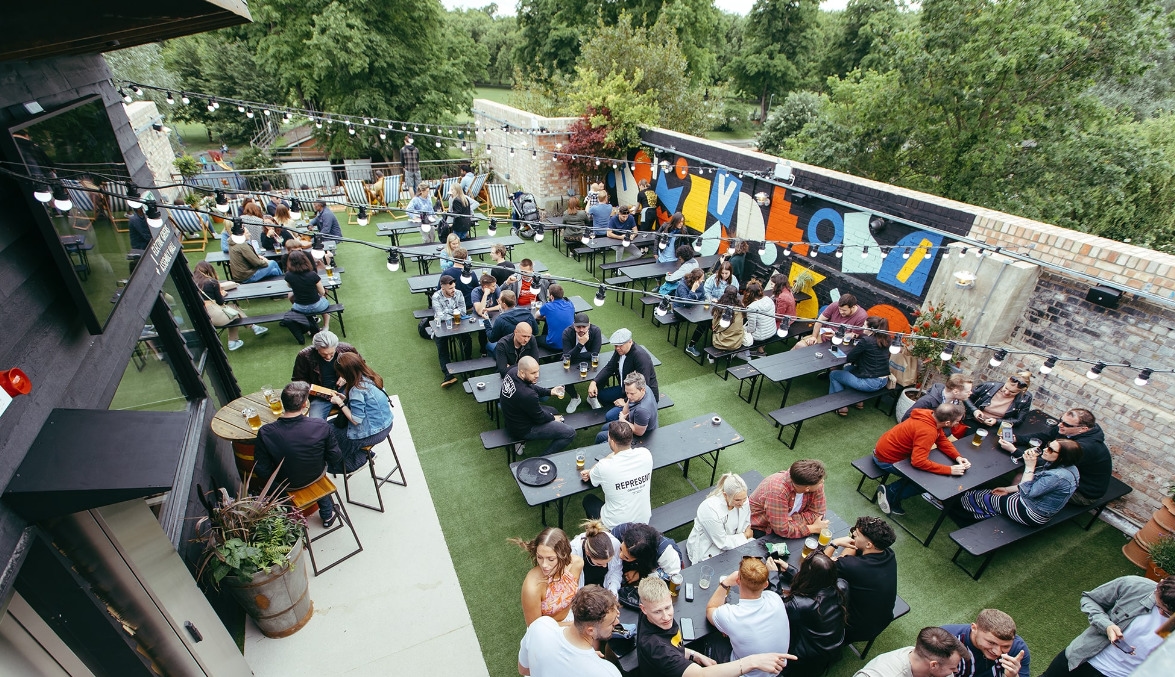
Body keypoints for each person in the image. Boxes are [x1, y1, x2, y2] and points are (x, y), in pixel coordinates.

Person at [636, 576, 792, 677]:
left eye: (668, 607)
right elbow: (702, 675)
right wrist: (752, 662)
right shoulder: (657, 648)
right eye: (657, 612)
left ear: (670, 598)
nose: (666, 616)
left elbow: (674, 646)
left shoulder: (651, 617)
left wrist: (696, 656)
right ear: (643, 609)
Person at [1037, 574, 1174, 677]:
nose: (1161, 613)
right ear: (1159, 585)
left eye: (1167, 613)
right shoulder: (1134, 586)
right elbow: (1090, 599)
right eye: (1158, 605)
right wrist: (1106, 625)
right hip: (1081, 659)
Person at [253, 381, 344, 527]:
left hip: (286, 485)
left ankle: (292, 523)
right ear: (304, 405)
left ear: (282, 403)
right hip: (316, 474)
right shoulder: (321, 426)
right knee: (319, 476)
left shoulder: (265, 432)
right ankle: (327, 516)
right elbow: (335, 457)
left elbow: (262, 469)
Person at [874, 403, 970, 516]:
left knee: (930, 470)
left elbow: (941, 439)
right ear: (947, 423)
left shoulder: (929, 416)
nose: (959, 423)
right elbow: (918, 462)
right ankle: (891, 492)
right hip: (886, 460)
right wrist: (949, 470)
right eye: (958, 421)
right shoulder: (928, 431)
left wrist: (958, 457)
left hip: (884, 451)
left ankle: (892, 491)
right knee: (928, 481)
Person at [959, 439, 1082, 526]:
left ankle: (968, 516)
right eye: (1048, 445)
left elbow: (1027, 492)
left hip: (1032, 513)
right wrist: (1007, 489)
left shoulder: (1057, 476)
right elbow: (1035, 485)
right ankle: (989, 513)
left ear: (1062, 457)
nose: (1045, 449)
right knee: (990, 493)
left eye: (1050, 450)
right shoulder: (1070, 468)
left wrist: (1029, 466)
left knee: (975, 496)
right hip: (1035, 504)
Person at [704, 556, 792, 675]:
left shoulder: (731, 616)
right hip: (774, 671)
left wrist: (725, 583)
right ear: (766, 584)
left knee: (711, 639)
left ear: (738, 581)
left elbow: (710, 609)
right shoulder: (775, 598)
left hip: (746, 672)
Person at [518, 584, 621, 677]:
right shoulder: (608, 673)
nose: (617, 622)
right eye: (611, 622)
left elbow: (523, 670)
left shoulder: (540, 626)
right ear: (590, 631)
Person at [770, 553, 846, 677]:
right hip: (833, 648)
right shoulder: (842, 586)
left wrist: (773, 575)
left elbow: (778, 607)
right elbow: (818, 582)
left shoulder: (799, 604)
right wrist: (789, 569)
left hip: (806, 657)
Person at [826, 516, 899, 645]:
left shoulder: (853, 567)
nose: (853, 533)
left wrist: (834, 543)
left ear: (869, 544)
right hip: (881, 621)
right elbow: (849, 557)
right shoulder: (888, 553)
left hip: (852, 628)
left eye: (857, 534)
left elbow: (818, 565)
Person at [327, 353, 393, 472]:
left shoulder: (357, 390)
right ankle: (367, 453)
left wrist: (340, 403)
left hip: (373, 432)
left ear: (346, 373)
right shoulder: (372, 377)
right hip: (386, 424)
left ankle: (358, 460)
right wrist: (345, 399)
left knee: (329, 435)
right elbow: (366, 404)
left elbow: (356, 420)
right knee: (329, 426)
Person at [581, 420, 653, 527]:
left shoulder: (604, 466)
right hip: (643, 521)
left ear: (613, 442)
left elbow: (590, 476)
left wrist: (607, 458)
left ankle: (598, 533)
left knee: (588, 499)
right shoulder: (645, 454)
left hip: (614, 526)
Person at [1038, 408, 1113, 506]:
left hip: (1083, 493)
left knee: (1033, 481)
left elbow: (1053, 465)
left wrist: (1017, 452)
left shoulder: (1084, 447)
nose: (1060, 425)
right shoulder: (1067, 429)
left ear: (1083, 429)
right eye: (1061, 420)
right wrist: (1016, 438)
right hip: (1068, 475)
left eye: (1066, 424)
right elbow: (1046, 436)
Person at [510, 527, 584, 626]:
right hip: (546, 631)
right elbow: (536, 627)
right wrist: (574, 625)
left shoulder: (577, 564)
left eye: (551, 559)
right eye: (540, 557)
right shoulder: (532, 587)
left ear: (564, 555)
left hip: (571, 620)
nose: (544, 565)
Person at [501, 357, 573, 456]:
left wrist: (549, 391)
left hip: (513, 417)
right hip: (523, 429)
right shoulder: (527, 395)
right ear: (522, 373)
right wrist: (553, 418)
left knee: (554, 410)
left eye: (538, 371)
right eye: (533, 373)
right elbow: (540, 418)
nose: (537, 375)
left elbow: (530, 386)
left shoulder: (512, 372)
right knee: (569, 433)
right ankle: (541, 458)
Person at [193, 261, 266, 351]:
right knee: (233, 313)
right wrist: (222, 294)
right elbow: (220, 302)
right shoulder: (212, 282)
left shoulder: (192, 283)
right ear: (209, 270)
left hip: (201, 316)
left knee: (232, 306)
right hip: (213, 315)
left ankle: (254, 327)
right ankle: (233, 341)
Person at [830, 317, 894, 415]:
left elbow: (850, 358)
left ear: (871, 328)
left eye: (864, 325)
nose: (862, 327)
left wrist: (858, 349)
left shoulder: (866, 340)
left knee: (834, 374)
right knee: (848, 369)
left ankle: (840, 405)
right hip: (883, 381)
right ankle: (857, 401)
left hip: (870, 383)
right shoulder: (886, 339)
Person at [749, 459, 829, 539]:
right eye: (820, 482)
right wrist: (813, 528)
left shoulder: (814, 484)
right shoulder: (777, 492)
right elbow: (782, 530)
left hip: (781, 524)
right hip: (762, 526)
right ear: (807, 488)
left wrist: (791, 519)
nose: (822, 482)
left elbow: (818, 514)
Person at [942, 609, 1030, 677]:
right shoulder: (944, 639)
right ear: (974, 628)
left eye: (1006, 646)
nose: (997, 652)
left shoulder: (1018, 650)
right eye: (991, 642)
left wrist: (1013, 676)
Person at [686, 473, 752, 562]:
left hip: (734, 542)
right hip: (708, 548)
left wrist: (743, 535)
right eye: (737, 500)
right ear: (725, 495)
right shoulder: (711, 510)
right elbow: (722, 542)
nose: (742, 503)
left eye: (744, 499)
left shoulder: (743, 499)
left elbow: (745, 523)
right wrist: (745, 536)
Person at [587, 328, 660, 409]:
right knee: (600, 395)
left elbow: (643, 386)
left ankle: (620, 415)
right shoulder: (620, 351)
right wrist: (594, 382)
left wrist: (625, 401)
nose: (617, 348)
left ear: (630, 341)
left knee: (609, 416)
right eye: (616, 345)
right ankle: (618, 413)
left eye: (620, 345)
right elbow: (609, 367)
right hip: (626, 390)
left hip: (642, 398)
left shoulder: (640, 357)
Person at [292, 330, 358, 418]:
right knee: (315, 423)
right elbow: (298, 381)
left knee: (361, 410)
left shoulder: (347, 349)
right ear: (316, 348)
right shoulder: (304, 356)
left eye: (332, 353)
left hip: (346, 389)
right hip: (320, 397)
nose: (328, 357)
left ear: (336, 346)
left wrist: (346, 376)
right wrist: (322, 393)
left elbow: (361, 367)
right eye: (323, 354)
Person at [855, 627, 967, 677]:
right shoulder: (878, 674)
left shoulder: (923, 658)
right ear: (934, 665)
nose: (956, 671)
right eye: (952, 668)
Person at [593, 372, 658, 444]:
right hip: (631, 422)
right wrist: (623, 416)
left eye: (632, 393)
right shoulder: (643, 388)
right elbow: (628, 404)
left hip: (641, 436)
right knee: (605, 427)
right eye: (627, 393)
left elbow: (639, 432)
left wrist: (623, 421)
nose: (629, 396)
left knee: (600, 436)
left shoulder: (642, 410)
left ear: (642, 390)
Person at [432, 275, 472, 388]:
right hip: (443, 325)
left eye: (454, 287)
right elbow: (440, 315)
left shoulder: (458, 293)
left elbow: (463, 311)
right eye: (450, 288)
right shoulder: (436, 296)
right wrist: (454, 312)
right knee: (441, 345)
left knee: (467, 339)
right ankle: (448, 374)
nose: (453, 290)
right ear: (443, 288)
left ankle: (468, 362)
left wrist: (448, 312)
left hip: (458, 323)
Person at [612, 522, 682, 584]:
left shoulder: (666, 554)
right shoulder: (620, 531)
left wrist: (642, 575)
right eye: (621, 549)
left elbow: (671, 574)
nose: (620, 556)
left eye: (626, 557)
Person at [793, 294, 870, 349]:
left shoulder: (862, 316)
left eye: (844, 310)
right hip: (824, 336)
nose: (841, 312)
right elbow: (819, 321)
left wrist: (837, 335)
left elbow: (854, 335)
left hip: (841, 343)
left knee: (833, 365)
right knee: (800, 346)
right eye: (840, 309)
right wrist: (814, 337)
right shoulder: (834, 305)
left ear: (853, 307)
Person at [560, 314, 602, 413]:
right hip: (573, 359)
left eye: (584, 327)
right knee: (563, 373)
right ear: (574, 325)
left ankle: (592, 397)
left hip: (588, 359)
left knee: (603, 372)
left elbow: (595, 353)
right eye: (578, 327)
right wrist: (580, 344)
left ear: (589, 325)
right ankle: (575, 397)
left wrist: (573, 356)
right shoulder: (567, 332)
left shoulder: (596, 331)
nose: (581, 330)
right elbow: (567, 356)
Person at [570, 520, 623, 593]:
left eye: (608, 562)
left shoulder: (615, 544)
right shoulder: (573, 554)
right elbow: (571, 586)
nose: (605, 566)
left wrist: (612, 590)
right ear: (588, 553)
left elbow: (616, 571)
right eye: (599, 564)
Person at [967, 371, 1034, 429]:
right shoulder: (989, 386)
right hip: (973, 420)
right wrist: (974, 410)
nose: (1006, 393)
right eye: (1006, 388)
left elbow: (1019, 420)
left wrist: (997, 421)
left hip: (996, 428)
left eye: (1012, 392)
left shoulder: (1026, 398)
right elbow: (966, 397)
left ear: (1022, 391)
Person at [284, 250, 330, 331]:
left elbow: (289, 286)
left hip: (300, 307)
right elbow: (322, 292)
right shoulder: (312, 274)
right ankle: (326, 326)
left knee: (291, 296)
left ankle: (309, 327)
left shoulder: (288, 275)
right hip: (317, 306)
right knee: (324, 301)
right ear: (305, 260)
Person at [902, 374, 975, 422]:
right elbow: (906, 419)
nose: (971, 393)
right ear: (955, 391)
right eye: (967, 391)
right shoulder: (927, 401)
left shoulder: (955, 401)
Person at [706, 287, 747, 356]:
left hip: (720, 343)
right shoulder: (741, 309)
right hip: (736, 342)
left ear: (724, 294)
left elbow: (714, 327)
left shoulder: (720, 309)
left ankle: (711, 357)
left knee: (714, 329)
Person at [742, 281, 777, 356]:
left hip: (760, 337)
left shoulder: (752, 307)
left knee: (740, 330)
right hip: (772, 331)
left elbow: (751, 328)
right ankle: (761, 351)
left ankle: (743, 353)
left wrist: (744, 330)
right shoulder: (769, 299)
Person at [536, 284, 574, 351]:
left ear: (551, 296)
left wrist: (546, 317)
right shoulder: (570, 304)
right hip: (569, 343)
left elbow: (536, 316)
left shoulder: (548, 306)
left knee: (535, 339)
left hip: (553, 344)